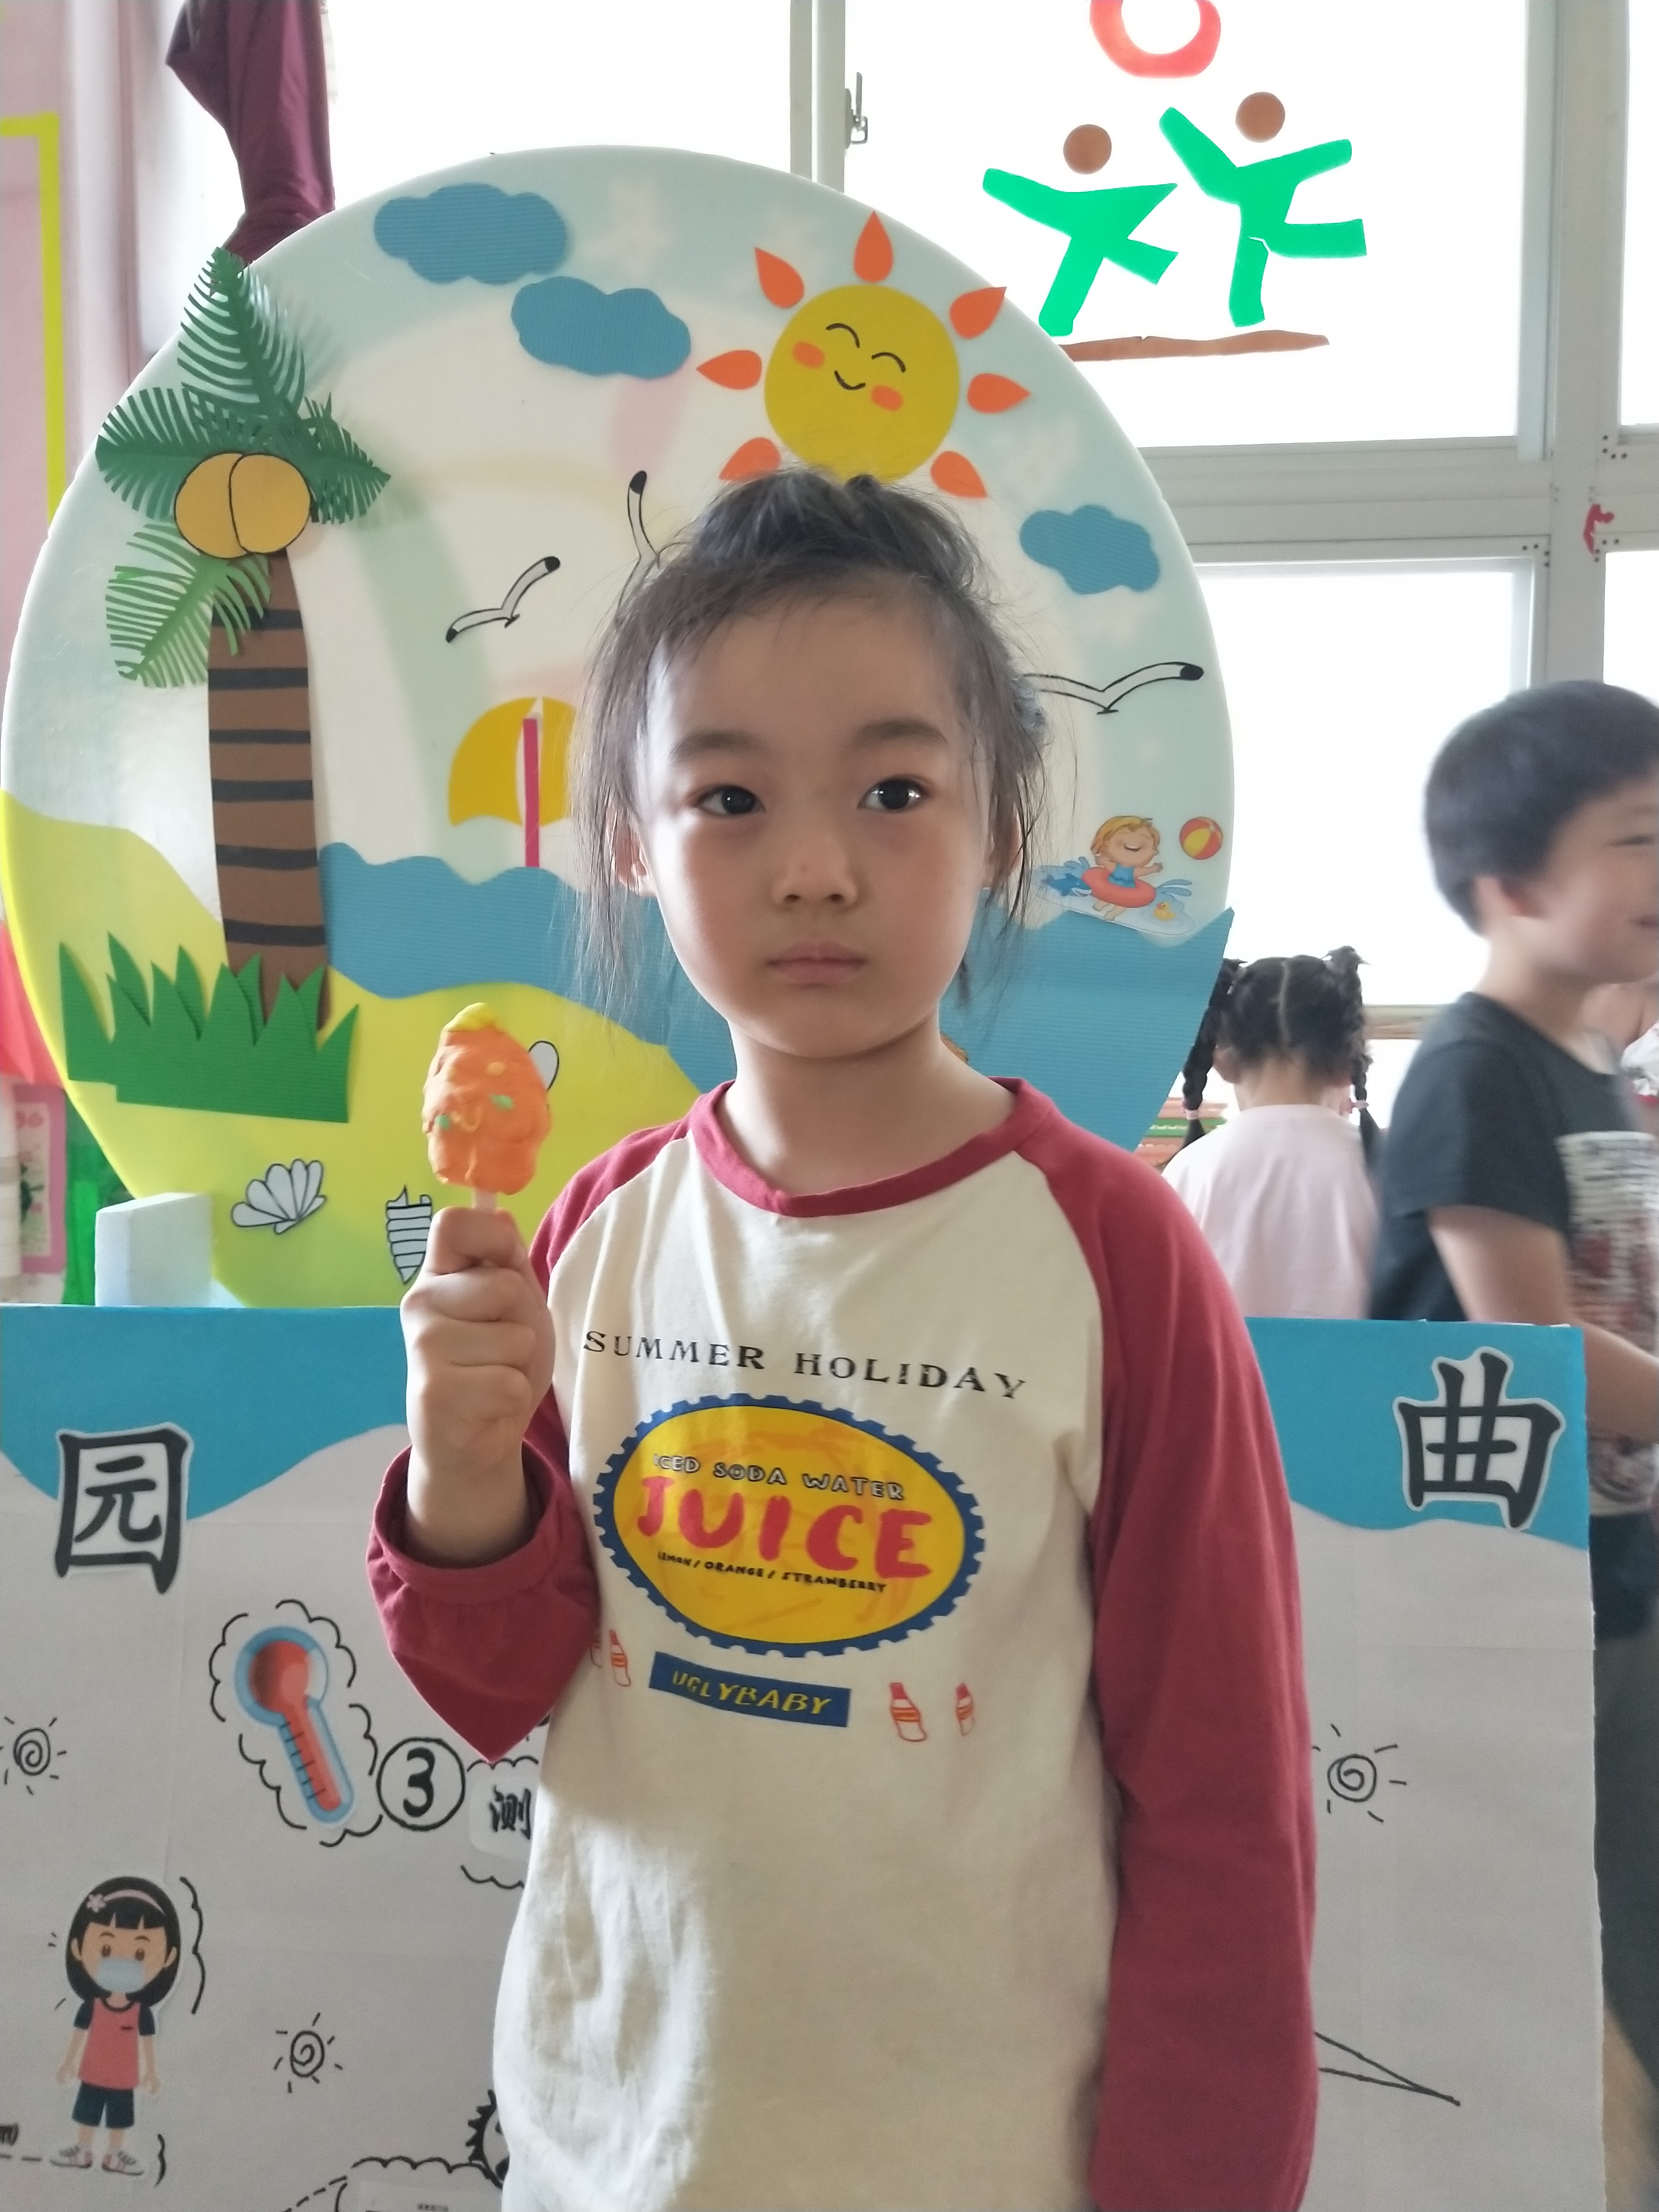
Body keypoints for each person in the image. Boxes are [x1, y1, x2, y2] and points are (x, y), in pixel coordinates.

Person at [369, 470, 1316, 2212]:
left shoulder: (1115, 1255)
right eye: (728, 797)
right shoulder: (592, 1230)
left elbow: (1223, 1798)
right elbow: (493, 1689)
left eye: (895, 789)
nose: (814, 868)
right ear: (635, 844)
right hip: (617, 2143)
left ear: (999, 825)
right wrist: (458, 1474)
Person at [1370, 680, 1659, 2133]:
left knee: (1621, 1881)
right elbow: (1532, 1342)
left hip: (1604, 1558)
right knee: (1541, 1909)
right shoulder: (1476, 1067)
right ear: (1510, 884)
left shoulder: (1588, 1064)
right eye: (1639, 838)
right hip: (1491, 1578)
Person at [1164, 948, 1379, 1317]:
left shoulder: (1188, 1170)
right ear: (1350, 1066)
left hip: (1227, 1358)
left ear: (1221, 1061)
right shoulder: (1384, 1164)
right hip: (1370, 1358)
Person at [51, 1877, 180, 2177]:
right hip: (92, 2073)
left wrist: (152, 2072)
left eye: (140, 1954)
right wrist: (68, 2063)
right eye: (106, 1948)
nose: (123, 1961)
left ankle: (113, 2154)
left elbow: (147, 2044)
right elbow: (78, 2037)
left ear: (168, 1958)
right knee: (87, 2113)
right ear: (78, 1948)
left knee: (119, 2118)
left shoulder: (141, 2013)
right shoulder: (91, 2007)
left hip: (124, 2078)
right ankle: (83, 2149)